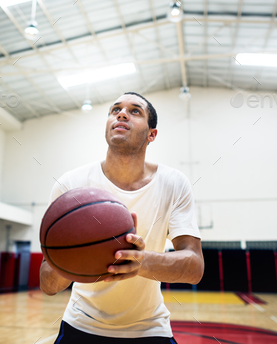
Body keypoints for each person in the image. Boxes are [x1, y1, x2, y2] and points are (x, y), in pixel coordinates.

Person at [40, 92, 205, 343]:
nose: (121, 113)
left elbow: (194, 267)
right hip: (81, 323)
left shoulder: (173, 183)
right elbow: (48, 285)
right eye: (115, 109)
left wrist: (141, 261)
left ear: (152, 134)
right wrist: (72, 259)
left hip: (150, 328)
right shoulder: (71, 185)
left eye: (135, 110)